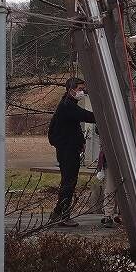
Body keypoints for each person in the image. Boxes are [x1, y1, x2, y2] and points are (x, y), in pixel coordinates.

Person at [47, 77, 89, 225]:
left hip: (68, 148)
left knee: (68, 181)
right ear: (71, 90)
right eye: (80, 89)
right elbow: (84, 116)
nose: (82, 92)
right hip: (68, 150)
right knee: (69, 182)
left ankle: (59, 212)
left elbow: (75, 127)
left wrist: (81, 141)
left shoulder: (67, 105)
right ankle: (64, 215)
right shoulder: (68, 106)